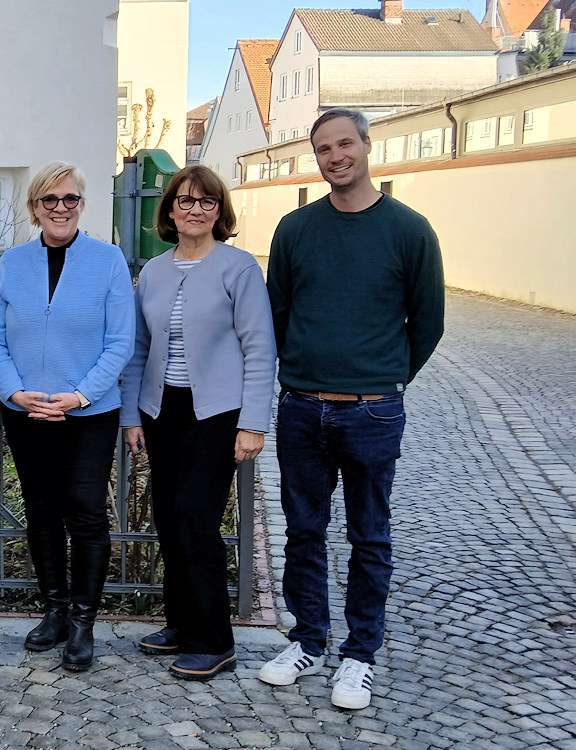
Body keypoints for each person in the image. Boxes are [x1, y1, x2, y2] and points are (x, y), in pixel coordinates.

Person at [258, 108, 444, 710]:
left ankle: (360, 654)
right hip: (303, 408)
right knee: (303, 533)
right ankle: (308, 639)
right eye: (323, 149)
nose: (335, 157)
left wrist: (383, 380)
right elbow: (278, 312)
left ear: (367, 146)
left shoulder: (410, 231)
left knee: (370, 537)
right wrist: (306, 373)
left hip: (371, 412)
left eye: (345, 145)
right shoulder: (295, 229)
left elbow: (428, 324)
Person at [120, 165, 276, 681]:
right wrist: (131, 415)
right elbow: (139, 349)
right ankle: (182, 623)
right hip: (163, 410)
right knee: (168, 515)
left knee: (196, 519)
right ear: (168, 210)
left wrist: (253, 422)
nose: (194, 209)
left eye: (206, 201)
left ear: (219, 211)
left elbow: (259, 348)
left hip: (218, 412)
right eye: (184, 201)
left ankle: (214, 639)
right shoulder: (155, 271)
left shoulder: (239, 269)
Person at [0, 161, 134, 672]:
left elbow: (120, 343)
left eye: (71, 200)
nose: (61, 208)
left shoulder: (108, 260)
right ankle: (56, 610)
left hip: (88, 413)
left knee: (86, 510)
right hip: (25, 411)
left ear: (81, 206)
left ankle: (85, 623)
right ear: (34, 208)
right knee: (42, 510)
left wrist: (79, 395)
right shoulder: (12, 264)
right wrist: (14, 390)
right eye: (50, 200)